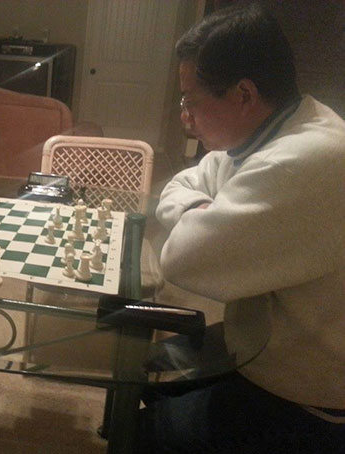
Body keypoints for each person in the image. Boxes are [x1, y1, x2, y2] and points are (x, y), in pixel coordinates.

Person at [141, 3, 345, 453]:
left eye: (190, 100)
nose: (184, 117)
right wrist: (202, 209)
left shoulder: (305, 160)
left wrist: (196, 220)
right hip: (261, 348)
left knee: (140, 430)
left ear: (244, 95)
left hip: (308, 399)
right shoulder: (274, 132)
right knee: (146, 375)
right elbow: (183, 182)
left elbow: (181, 259)